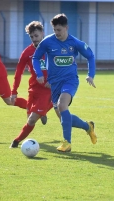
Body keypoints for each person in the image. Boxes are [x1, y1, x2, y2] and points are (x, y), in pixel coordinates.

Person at [32, 13, 97, 152]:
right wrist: (39, 74)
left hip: (70, 80)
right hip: (54, 84)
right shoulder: (48, 42)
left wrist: (90, 75)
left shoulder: (74, 43)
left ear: (66, 28)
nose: (56, 33)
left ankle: (67, 143)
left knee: (62, 105)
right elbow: (36, 58)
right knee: (64, 117)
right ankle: (88, 126)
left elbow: (90, 56)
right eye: (54, 30)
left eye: (59, 30)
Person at [9, 21, 58, 148]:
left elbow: (62, 67)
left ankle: (16, 141)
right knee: (29, 117)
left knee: (31, 119)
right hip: (33, 89)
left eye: (36, 36)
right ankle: (45, 110)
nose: (34, 39)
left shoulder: (52, 49)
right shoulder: (27, 52)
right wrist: (14, 91)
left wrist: (53, 81)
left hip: (48, 89)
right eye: (32, 37)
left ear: (42, 33)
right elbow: (18, 73)